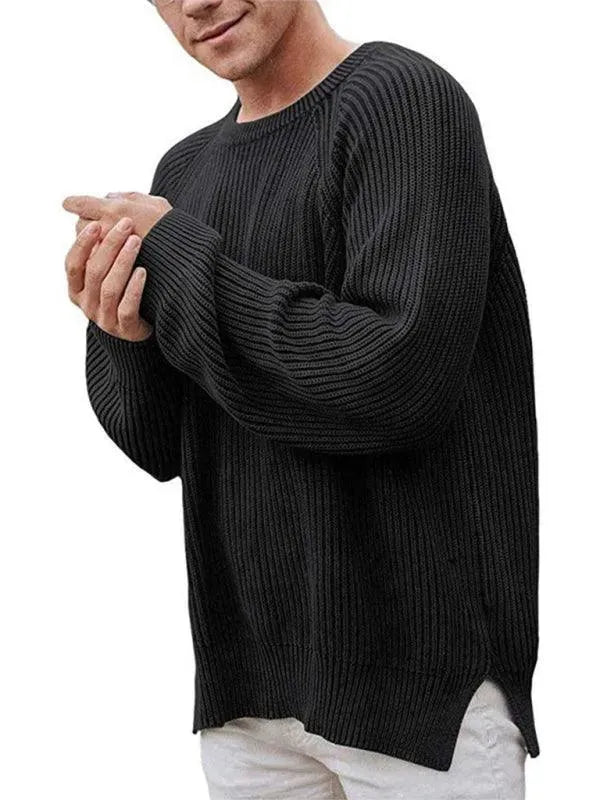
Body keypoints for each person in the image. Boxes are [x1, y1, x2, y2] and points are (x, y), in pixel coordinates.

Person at [62, 1, 540, 797]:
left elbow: (399, 380)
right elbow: (165, 447)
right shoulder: (183, 173)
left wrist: (184, 262)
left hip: (423, 699)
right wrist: (127, 337)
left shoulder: (404, 100)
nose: (195, 3)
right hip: (249, 699)